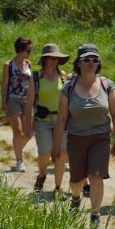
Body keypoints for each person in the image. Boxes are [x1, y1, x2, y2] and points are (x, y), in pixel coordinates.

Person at [52, 44, 115, 229]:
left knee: (96, 176)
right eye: (87, 59)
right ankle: (76, 198)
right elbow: (61, 117)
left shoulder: (107, 85)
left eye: (95, 59)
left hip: (100, 137)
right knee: (77, 181)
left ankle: (95, 214)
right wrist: (56, 146)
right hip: (76, 137)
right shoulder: (69, 87)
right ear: (79, 63)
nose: (91, 63)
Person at [32, 44, 70, 197]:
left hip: (61, 120)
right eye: (51, 58)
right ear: (44, 59)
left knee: (61, 153)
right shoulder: (36, 77)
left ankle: (58, 188)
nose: (54, 61)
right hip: (42, 120)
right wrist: (28, 125)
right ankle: (42, 175)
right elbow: (29, 102)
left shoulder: (63, 76)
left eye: (56, 58)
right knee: (45, 153)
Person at [1, 37, 34, 172]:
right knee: (18, 131)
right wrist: (4, 102)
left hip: (27, 101)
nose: (30, 52)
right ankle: (19, 160)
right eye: (28, 50)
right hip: (13, 100)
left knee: (28, 133)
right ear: (21, 50)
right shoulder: (8, 64)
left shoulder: (29, 64)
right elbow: (4, 85)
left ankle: (16, 149)